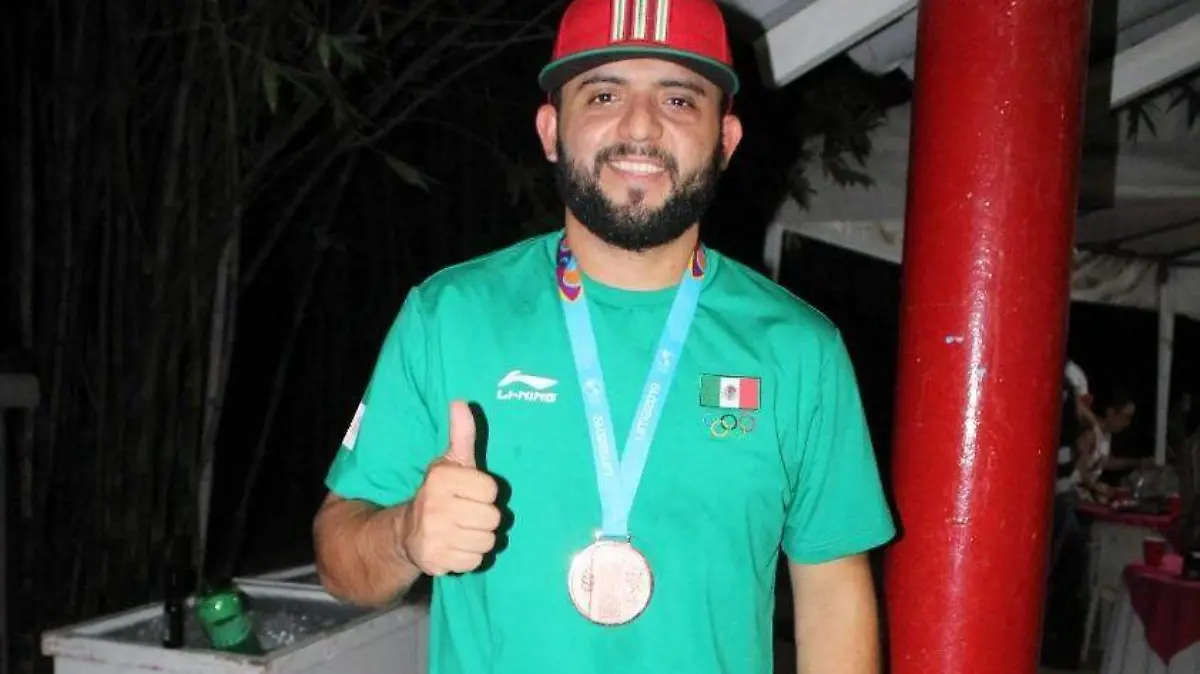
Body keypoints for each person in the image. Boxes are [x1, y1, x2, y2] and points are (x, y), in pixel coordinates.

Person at [312, 1, 895, 672]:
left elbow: (832, 596)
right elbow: (339, 558)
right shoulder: (449, 316)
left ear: (726, 140)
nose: (640, 126)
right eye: (604, 95)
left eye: (678, 99)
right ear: (551, 130)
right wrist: (404, 535)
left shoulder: (799, 349)